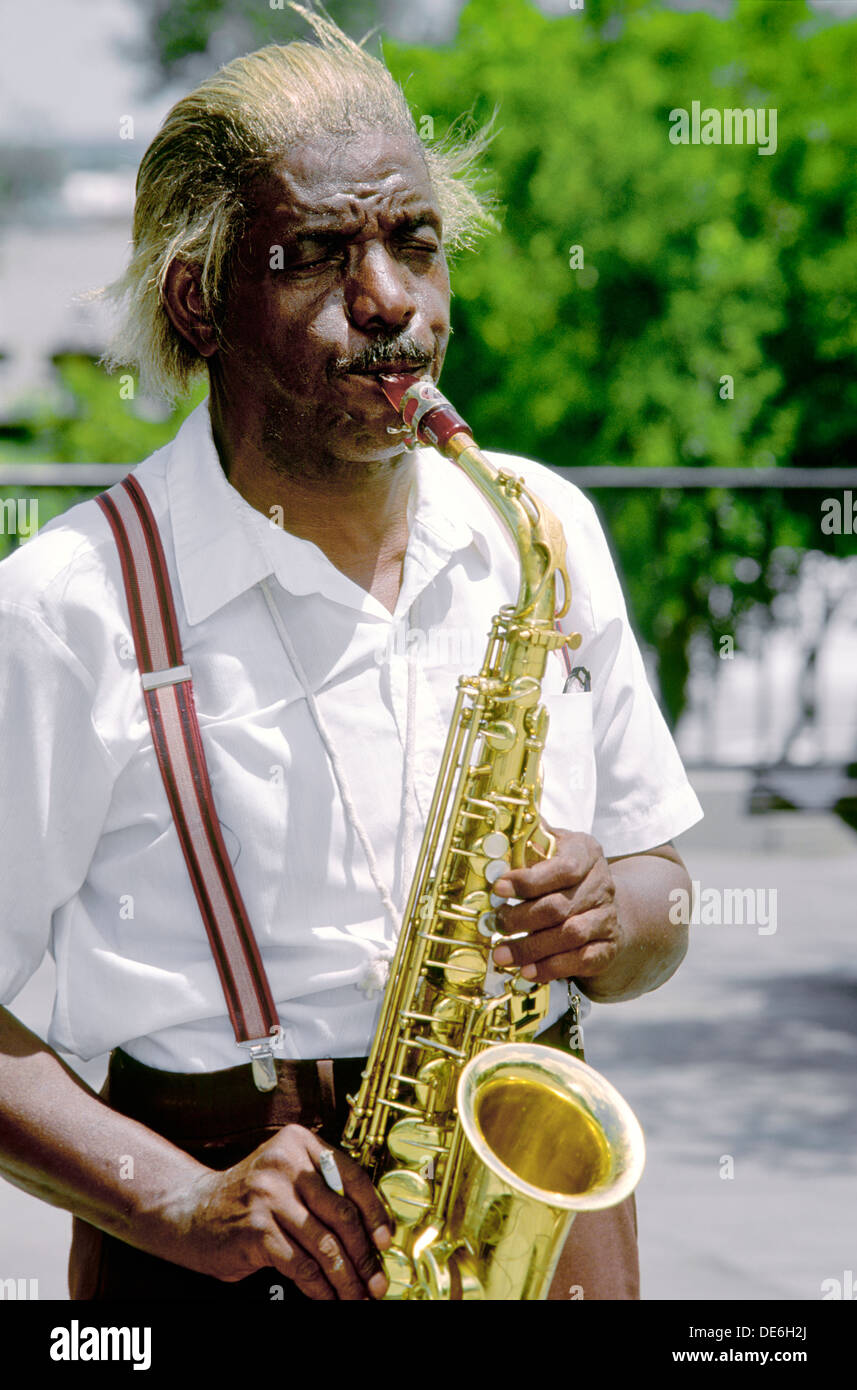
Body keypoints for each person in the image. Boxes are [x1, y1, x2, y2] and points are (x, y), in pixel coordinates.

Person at [0, 10, 702, 1302]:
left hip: (530, 1206)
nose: (389, 300)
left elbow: (663, 893)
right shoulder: (66, 605)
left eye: (414, 243)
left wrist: (615, 913)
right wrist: (175, 1197)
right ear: (197, 299)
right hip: (223, 1240)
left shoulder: (537, 523)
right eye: (317, 254)